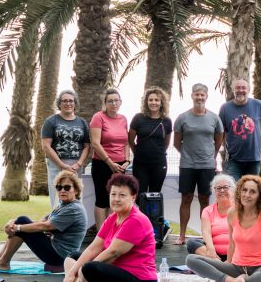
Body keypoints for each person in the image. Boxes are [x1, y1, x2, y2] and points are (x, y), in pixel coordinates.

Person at [52, 174, 157, 282]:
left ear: (133, 197)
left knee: (89, 268)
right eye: (113, 194)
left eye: (122, 195)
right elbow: (93, 248)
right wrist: (72, 272)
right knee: (73, 257)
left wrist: (82, 271)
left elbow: (112, 253)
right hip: (115, 271)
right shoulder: (113, 218)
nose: (116, 199)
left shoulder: (136, 220)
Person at [185, 175, 261, 282]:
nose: (247, 195)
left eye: (252, 192)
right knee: (191, 259)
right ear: (239, 192)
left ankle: (245, 279)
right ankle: (231, 281)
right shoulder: (232, 212)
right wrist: (227, 264)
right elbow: (232, 244)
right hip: (237, 267)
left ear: (259, 196)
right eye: (244, 190)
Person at [0, 171, 88, 273]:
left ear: (76, 190)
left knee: (22, 222)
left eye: (67, 187)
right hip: (57, 252)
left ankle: (3, 262)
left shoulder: (73, 209)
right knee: (22, 221)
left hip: (61, 257)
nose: (62, 190)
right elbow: (40, 222)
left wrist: (17, 228)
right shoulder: (63, 206)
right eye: (59, 187)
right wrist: (12, 223)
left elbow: (44, 226)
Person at [173, 83, 224, 244]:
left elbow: (219, 140)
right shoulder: (182, 118)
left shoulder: (214, 118)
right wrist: (188, 154)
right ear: (192, 96)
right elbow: (176, 142)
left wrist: (211, 156)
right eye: (197, 94)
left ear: (206, 96)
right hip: (187, 165)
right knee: (186, 199)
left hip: (207, 166)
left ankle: (205, 235)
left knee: (204, 200)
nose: (199, 97)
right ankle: (181, 235)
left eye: (202, 95)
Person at [40, 90, 90, 207]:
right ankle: (57, 224)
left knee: (75, 196)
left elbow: (87, 146)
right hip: (56, 164)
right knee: (58, 197)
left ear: (75, 103)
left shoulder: (82, 122)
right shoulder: (51, 121)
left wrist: (79, 164)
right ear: (59, 103)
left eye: (71, 101)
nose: (68, 103)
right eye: (65, 101)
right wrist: (62, 165)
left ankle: (75, 223)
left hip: (75, 166)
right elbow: (46, 146)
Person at [90, 88, 130, 228]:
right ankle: (101, 235)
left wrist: (127, 161)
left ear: (120, 102)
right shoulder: (98, 117)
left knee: (116, 200)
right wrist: (109, 162)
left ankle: (112, 233)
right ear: (105, 103)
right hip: (102, 163)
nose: (114, 103)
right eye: (110, 101)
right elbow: (95, 143)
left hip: (120, 166)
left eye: (116, 100)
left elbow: (126, 142)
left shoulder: (123, 119)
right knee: (102, 200)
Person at [219, 78, 261, 179]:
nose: (240, 90)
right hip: (233, 160)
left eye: (244, 88)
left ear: (248, 90)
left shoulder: (257, 104)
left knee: (251, 191)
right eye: (237, 88)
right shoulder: (225, 108)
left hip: (253, 159)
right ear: (233, 90)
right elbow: (220, 132)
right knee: (232, 190)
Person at [129, 86, 173, 194]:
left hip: (159, 163)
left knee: (155, 195)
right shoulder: (138, 118)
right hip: (140, 164)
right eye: (150, 100)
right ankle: (143, 212)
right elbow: (130, 140)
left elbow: (166, 143)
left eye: (157, 100)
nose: (154, 102)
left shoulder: (167, 121)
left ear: (161, 102)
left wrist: (157, 152)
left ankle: (153, 212)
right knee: (140, 196)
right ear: (146, 102)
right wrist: (138, 152)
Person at [185, 174, 236, 261]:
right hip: (215, 254)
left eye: (226, 187)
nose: (222, 190)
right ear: (214, 191)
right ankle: (217, 262)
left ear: (233, 190)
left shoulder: (239, 209)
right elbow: (206, 232)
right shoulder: (208, 210)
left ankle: (222, 264)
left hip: (236, 252)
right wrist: (211, 249)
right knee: (191, 243)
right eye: (218, 188)